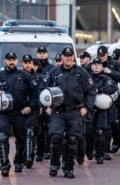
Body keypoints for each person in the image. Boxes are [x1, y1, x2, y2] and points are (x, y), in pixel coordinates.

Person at [39, 47, 96, 179]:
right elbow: (42, 89)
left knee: (72, 139)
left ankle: (68, 168)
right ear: (62, 57)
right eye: (66, 56)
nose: (68, 58)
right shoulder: (54, 72)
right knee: (56, 137)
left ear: (73, 57)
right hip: (58, 112)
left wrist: (86, 108)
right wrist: (45, 105)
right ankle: (54, 163)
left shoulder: (81, 73)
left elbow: (91, 91)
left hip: (75, 111)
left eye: (71, 56)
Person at [0, 52, 38, 177]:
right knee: (2, 138)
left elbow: (36, 92)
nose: (11, 62)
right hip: (3, 115)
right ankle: (5, 165)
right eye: (9, 60)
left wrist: (30, 106)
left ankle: (18, 161)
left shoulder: (25, 76)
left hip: (20, 114)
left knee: (21, 140)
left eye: (13, 59)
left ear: (17, 61)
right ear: (5, 61)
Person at [97, 45, 120, 160]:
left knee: (109, 124)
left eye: (103, 55)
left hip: (111, 98)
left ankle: (106, 150)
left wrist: (111, 72)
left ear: (107, 54)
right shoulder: (95, 63)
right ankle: (98, 149)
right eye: (100, 56)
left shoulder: (115, 64)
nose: (101, 58)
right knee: (98, 126)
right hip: (97, 97)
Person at [91, 57, 118, 164]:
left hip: (102, 109)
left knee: (100, 131)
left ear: (102, 66)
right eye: (94, 64)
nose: (96, 66)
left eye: (98, 64)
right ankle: (90, 150)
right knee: (88, 132)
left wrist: (100, 90)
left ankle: (100, 155)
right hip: (89, 109)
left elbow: (112, 88)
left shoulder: (106, 78)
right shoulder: (87, 77)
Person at [36, 46, 55, 160]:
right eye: (40, 53)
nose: (42, 55)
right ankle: (39, 152)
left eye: (44, 53)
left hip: (49, 103)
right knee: (39, 130)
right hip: (38, 103)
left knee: (48, 128)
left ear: (47, 54)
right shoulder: (34, 67)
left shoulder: (52, 69)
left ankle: (48, 151)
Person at [22, 54, 40, 169]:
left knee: (30, 131)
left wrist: (32, 106)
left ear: (32, 64)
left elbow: (40, 93)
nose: (27, 65)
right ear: (22, 63)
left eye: (29, 62)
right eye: (25, 62)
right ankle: (23, 156)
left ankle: (29, 157)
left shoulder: (38, 77)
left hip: (33, 109)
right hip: (20, 110)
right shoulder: (18, 75)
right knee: (21, 135)